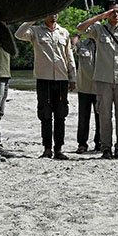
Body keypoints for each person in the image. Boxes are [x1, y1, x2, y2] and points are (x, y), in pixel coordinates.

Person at [78, 2, 118, 159]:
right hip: (103, 79)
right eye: (113, 12)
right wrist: (100, 17)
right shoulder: (99, 30)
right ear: (108, 14)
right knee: (104, 115)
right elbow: (80, 28)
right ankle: (106, 148)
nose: (116, 15)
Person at [15, 14, 75, 159]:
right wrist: (34, 18)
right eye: (50, 13)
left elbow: (69, 56)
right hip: (44, 80)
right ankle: (47, 148)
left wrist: (73, 77)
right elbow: (19, 34)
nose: (53, 16)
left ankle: (59, 149)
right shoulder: (35, 31)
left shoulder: (64, 32)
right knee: (45, 115)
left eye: (56, 13)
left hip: (61, 79)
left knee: (61, 115)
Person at [72, 34, 102, 153]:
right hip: (84, 87)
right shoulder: (82, 44)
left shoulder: (104, 44)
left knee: (100, 117)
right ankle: (82, 144)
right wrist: (77, 36)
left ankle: (99, 143)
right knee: (83, 117)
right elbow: (71, 49)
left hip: (100, 87)